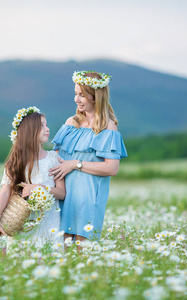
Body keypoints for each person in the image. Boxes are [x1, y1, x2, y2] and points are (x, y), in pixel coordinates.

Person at [49, 71, 127, 243]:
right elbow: (54, 158)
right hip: (63, 194)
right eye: (76, 94)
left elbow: (112, 168)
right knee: (61, 249)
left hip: (88, 196)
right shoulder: (71, 123)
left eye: (82, 95)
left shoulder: (108, 126)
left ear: (96, 97)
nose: (76, 99)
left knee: (81, 250)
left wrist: (76, 164)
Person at [0, 107, 66, 247]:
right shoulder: (16, 161)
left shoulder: (53, 158)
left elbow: (62, 193)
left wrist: (39, 188)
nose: (47, 129)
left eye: (47, 125)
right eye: (41, 126)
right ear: (29, 130)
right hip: (22, 222)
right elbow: (5, 191)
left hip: (49, 224)